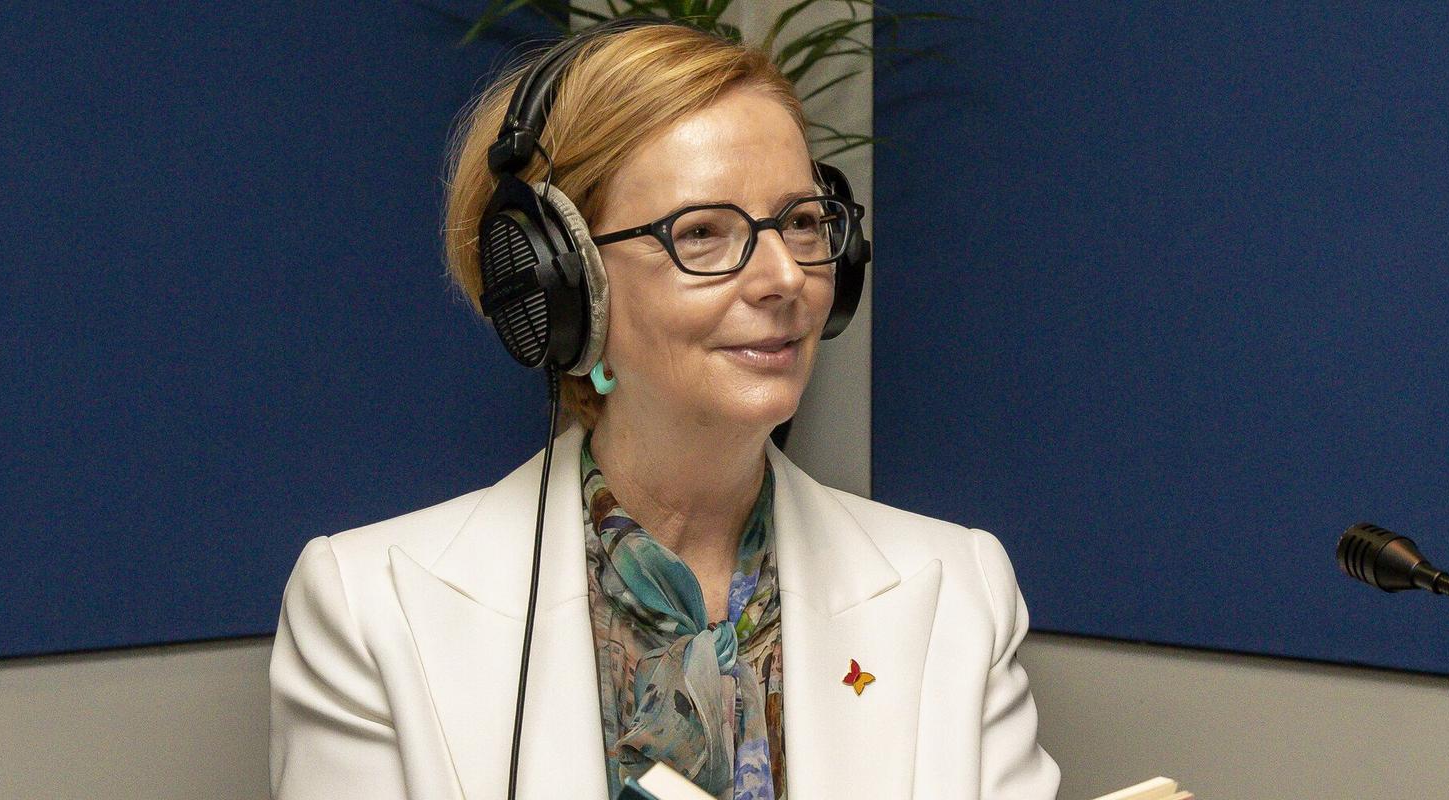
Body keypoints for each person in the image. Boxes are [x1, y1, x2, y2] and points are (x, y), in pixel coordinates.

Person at [267, 20, 1060, 800]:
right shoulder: (369, 610)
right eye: (703, 233)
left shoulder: (962, 588)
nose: (785, 276)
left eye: (801, 222)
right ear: (564, 285)